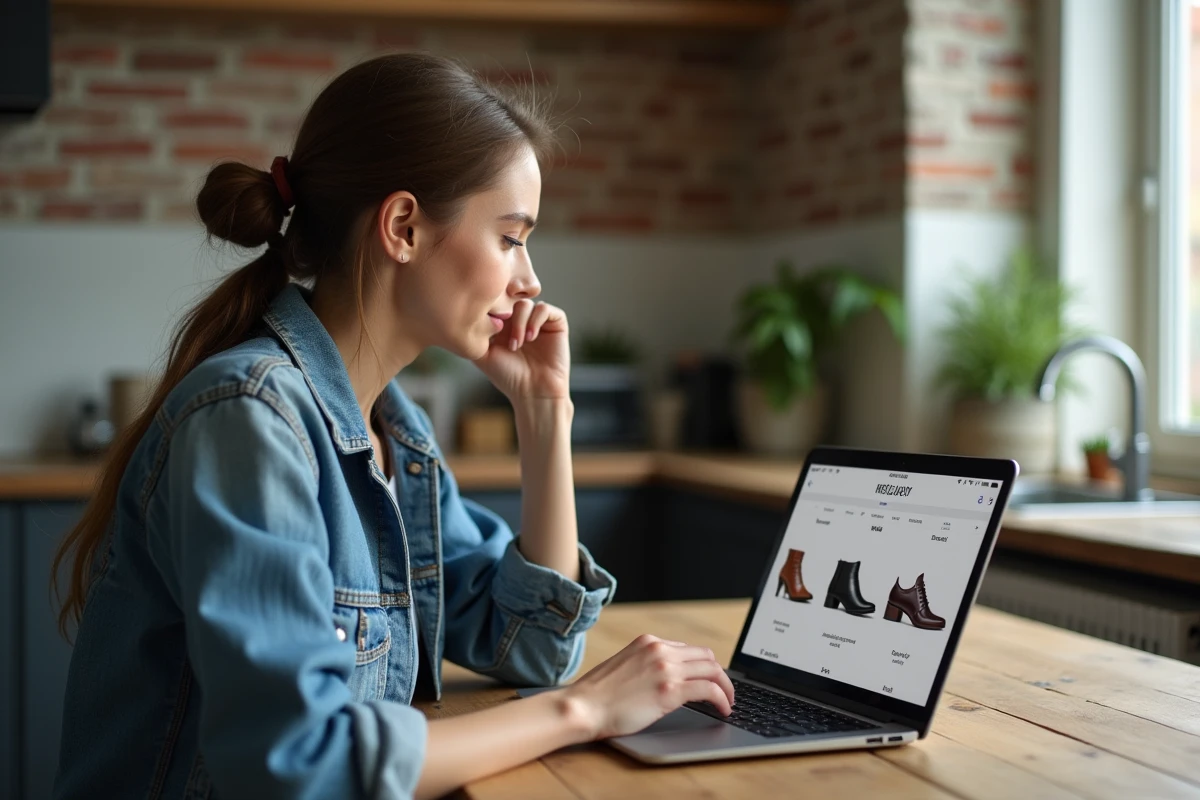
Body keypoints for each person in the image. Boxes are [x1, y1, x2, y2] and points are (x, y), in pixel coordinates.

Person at [51, 53, 734, 799]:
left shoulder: (392, 434)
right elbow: (299, 761)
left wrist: (544, 416)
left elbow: (532, 643)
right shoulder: (249, 419)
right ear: (403, 226)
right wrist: (586, 711)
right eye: (510, 236)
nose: (530, 279)